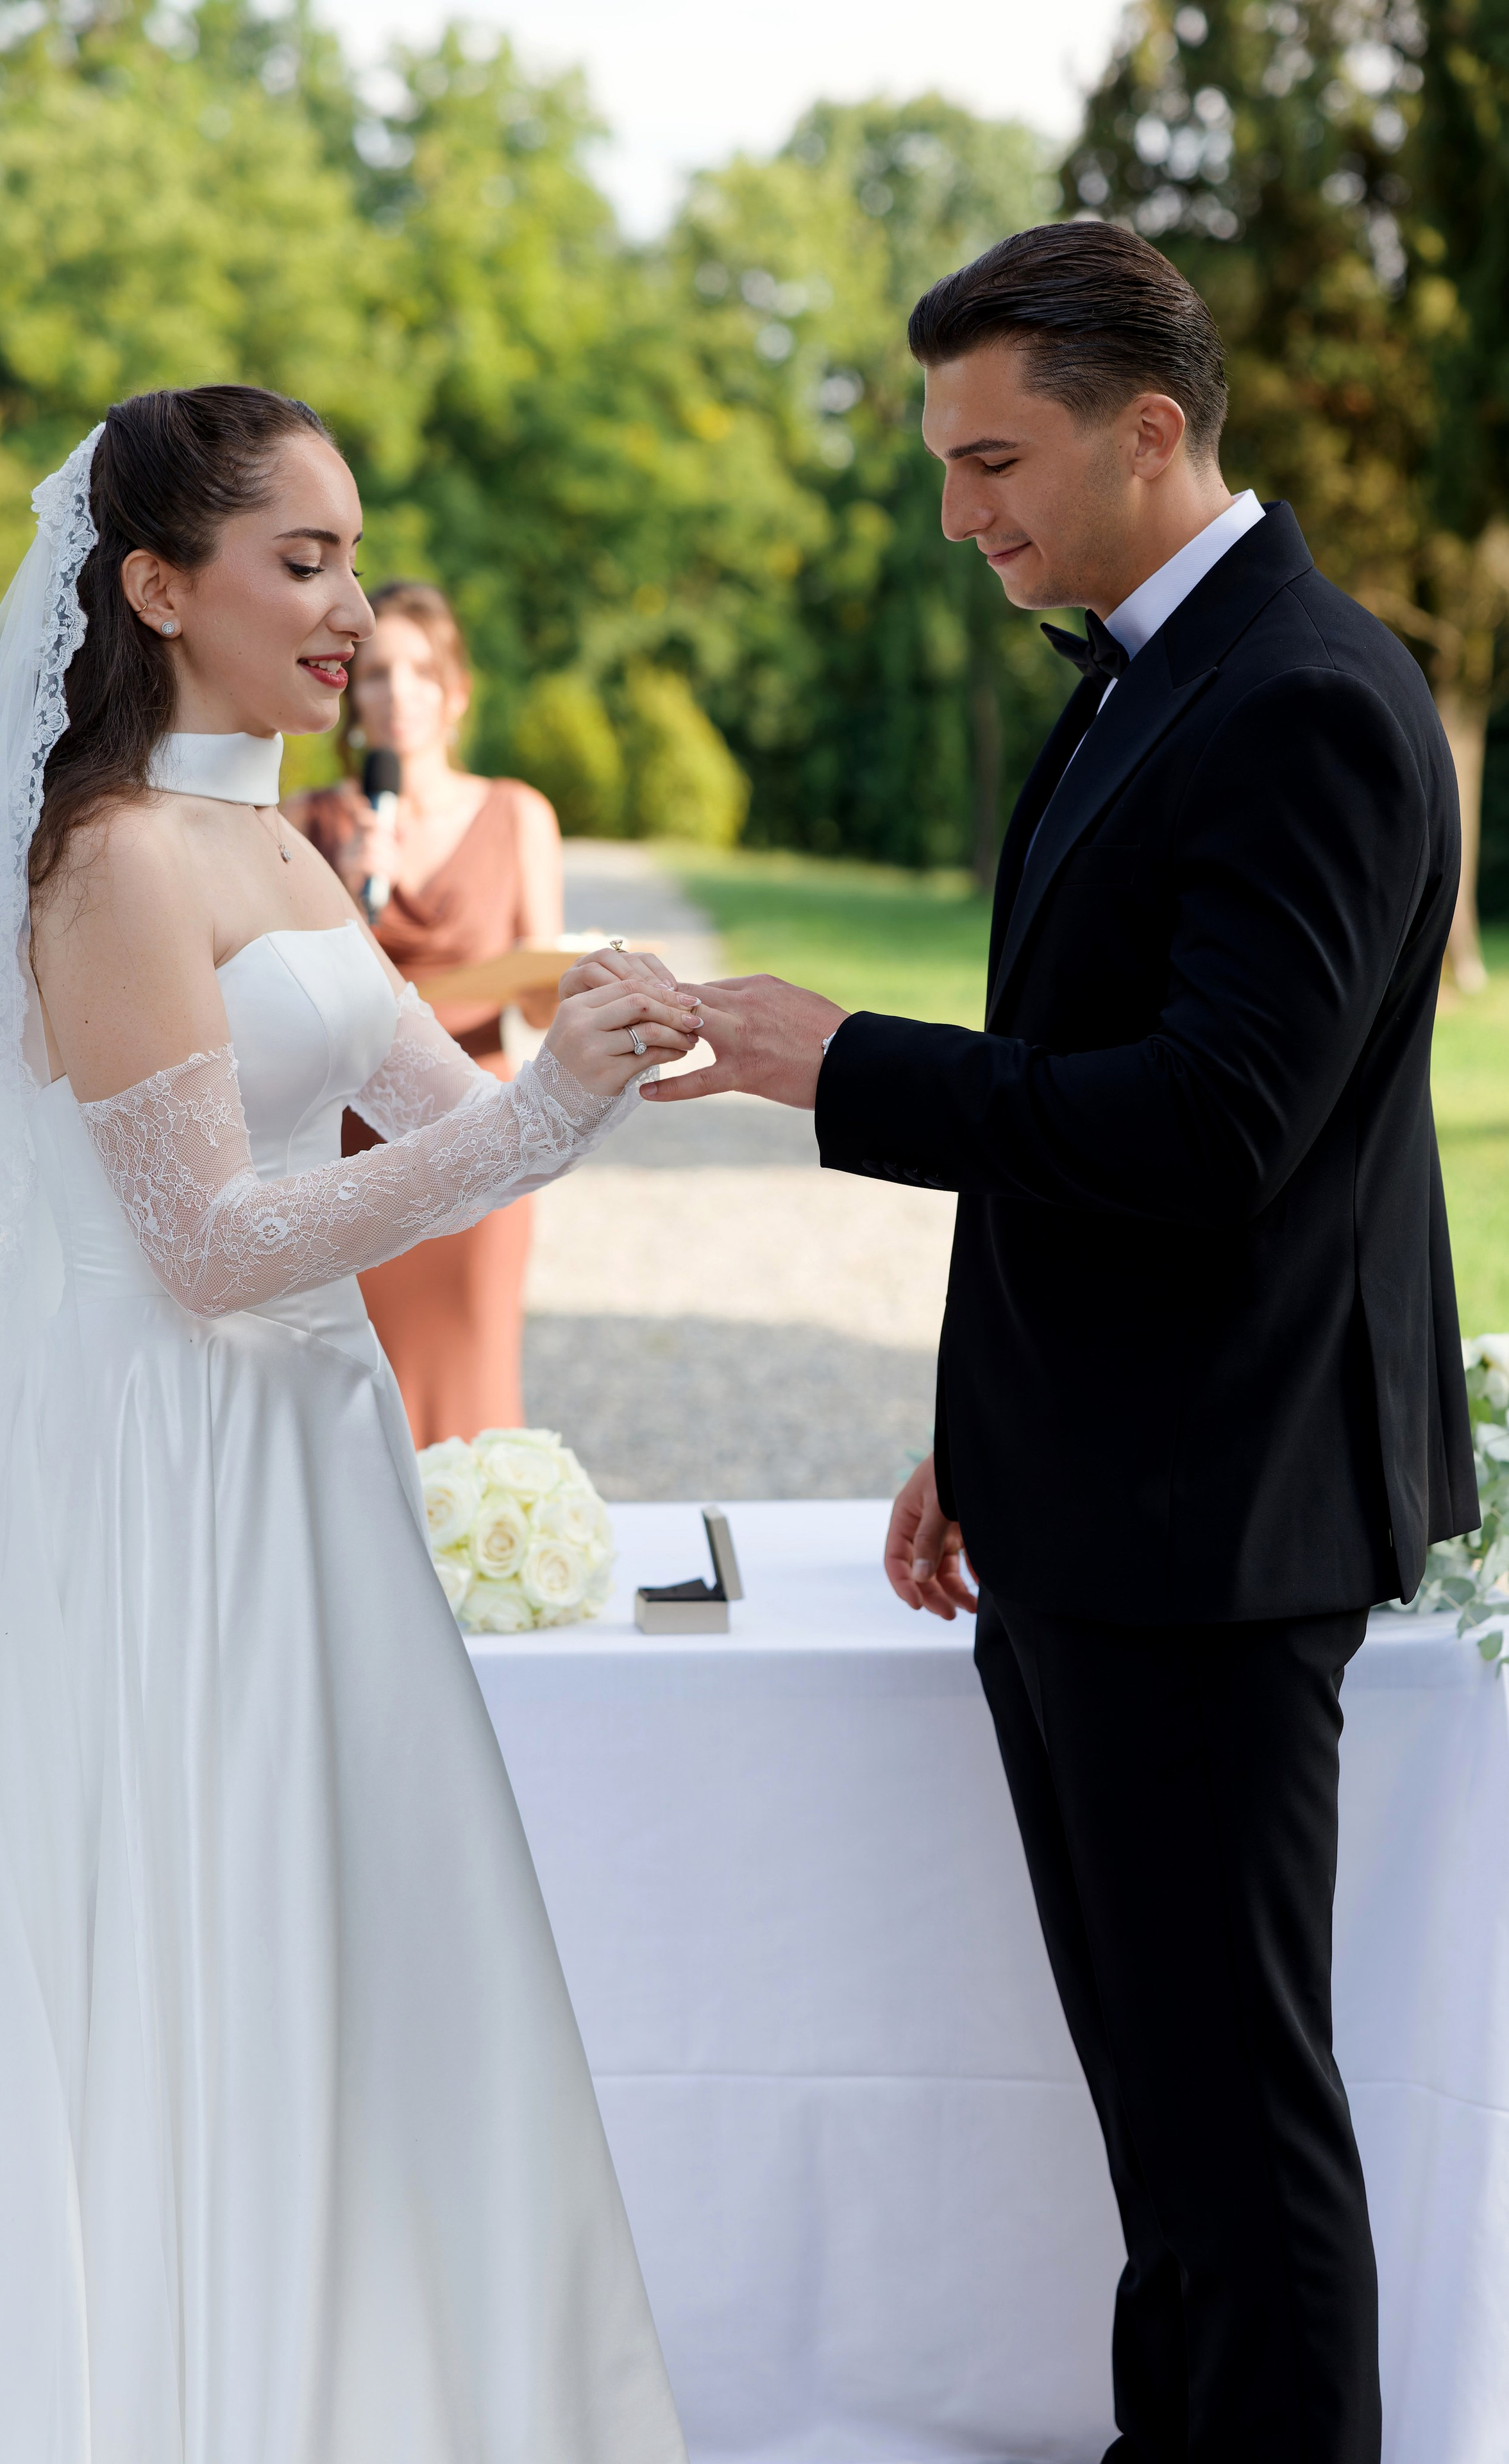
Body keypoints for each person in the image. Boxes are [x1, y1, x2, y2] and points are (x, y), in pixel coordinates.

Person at [648, 222, 1477, 2461]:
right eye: (943, 461)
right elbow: (1098, 1119)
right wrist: (982, 1430)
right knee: (1165, 2114)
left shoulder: (1302, 693)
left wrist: (840, 1062)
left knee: (1238, 2121)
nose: (960, 514)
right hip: (1099, 1489)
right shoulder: (1143, 669)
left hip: (1216, 1523)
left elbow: (1214, 1126)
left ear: (1150, 426)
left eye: (993, 456)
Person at [0, 383, 701, 2458]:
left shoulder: (277, 846)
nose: (343, 609)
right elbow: (205, 1247)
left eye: (351, 556)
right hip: (181, 1482)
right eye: (300, 563)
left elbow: (462, 1134)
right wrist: (532, 1109)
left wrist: (601, 1058)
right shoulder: (124, 865)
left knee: (381, 1951)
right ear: (157, 588)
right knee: (212, 1967)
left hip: (316, 1466)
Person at [287, 582, 561, 1445]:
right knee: (352, 1398)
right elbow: (285, 1007)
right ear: (349, 693)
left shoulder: (518, 815)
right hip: (345, 1145)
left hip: (478, 1130)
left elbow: (544, 1006)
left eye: (415, 671)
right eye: (373, 674)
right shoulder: (304, 825)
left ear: (456, 690)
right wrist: (347, 893)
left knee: (472, 1382)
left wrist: (568, 977)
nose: (395, 693)